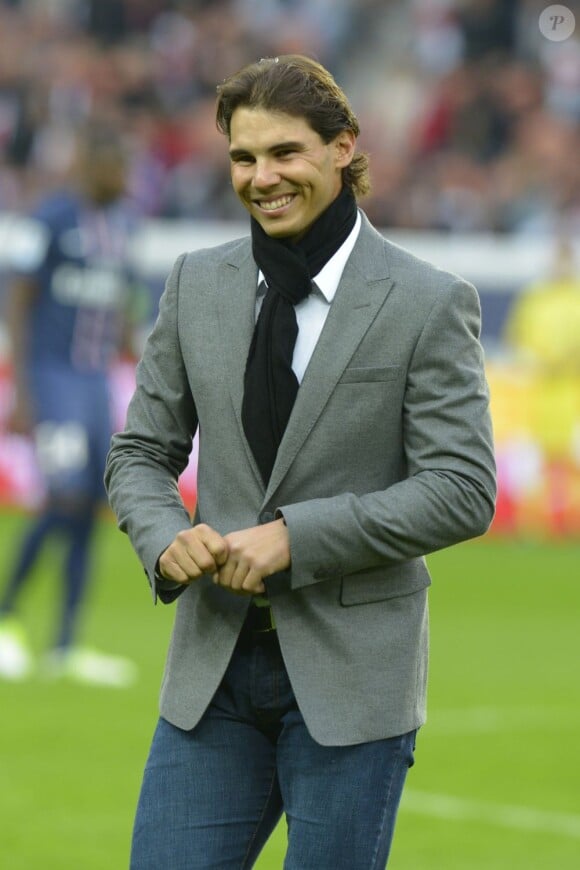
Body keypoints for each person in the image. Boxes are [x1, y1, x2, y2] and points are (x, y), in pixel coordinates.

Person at [105, 55, 496, 869]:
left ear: (342, 148)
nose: (262, 178)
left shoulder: (428, 299)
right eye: (244, 158)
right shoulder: (195, 282)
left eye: (285, 152)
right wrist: (162, 537)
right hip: (211, 673)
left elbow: (462, 489)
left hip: (355, 685)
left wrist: (296, 537)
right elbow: (142, 452)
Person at [0, 123, 139, 688]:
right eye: (115, 169)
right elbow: (20, 297)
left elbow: (122, 306)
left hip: (93, 386)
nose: (123, 179)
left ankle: (65, 644)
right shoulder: (52, 218)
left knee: (87, 506)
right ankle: (7, 620)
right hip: (52, 379)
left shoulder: (122, 227)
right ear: (92, 168)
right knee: (58, 497)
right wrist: (23, 388)